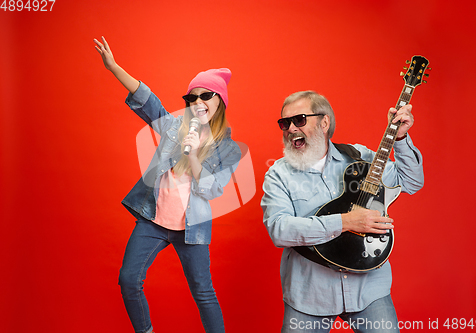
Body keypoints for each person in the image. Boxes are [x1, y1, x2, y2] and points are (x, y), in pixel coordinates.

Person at [94, 36, 241, 333]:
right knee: (128, 278)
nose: (198, 102)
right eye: (192, 97)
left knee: (203, 292)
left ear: (219, 102)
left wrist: (195, 158)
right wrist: (114, 67)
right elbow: (148, 101)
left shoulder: (229, 149)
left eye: (206, 95)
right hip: (154, 220)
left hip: (192, 229)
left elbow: (212, 190)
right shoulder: (174, 126)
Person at [261, 91, 424, 333]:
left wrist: (400, 138)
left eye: (300, 120)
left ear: (324, 122)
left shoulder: (358, 158)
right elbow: (279, 229)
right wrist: (346, 222)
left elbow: (411, 181)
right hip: (310, 293)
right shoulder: (278, 174)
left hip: (368, 289)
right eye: (285, 123)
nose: (291, 128)